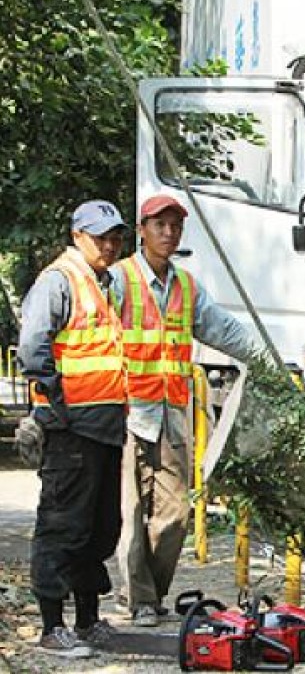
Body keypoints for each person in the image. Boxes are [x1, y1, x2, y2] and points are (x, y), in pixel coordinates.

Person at [111, 194, 262, 627]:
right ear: (142, 230)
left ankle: (150, 593)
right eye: (159, 224)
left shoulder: (187, 287)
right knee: (132, 512)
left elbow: (223, 329)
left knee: (175, 515)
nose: (168, 232)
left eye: (175, 225)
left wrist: (262, 359)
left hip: (172, 413)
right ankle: (139, 598)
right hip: (128, 414)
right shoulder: (120, 280)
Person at [16, 201, 129, 658]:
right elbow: (33, 348)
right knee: (63, 526)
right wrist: (55, 408)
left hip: (104, 428)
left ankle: (87, 620)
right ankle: (51, 627)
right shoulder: (59, 281)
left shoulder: (104, 283)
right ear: (78, 235)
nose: (109, 244)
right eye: (101, 236)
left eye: (116, 236)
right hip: (72, 429)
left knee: (99, 528)